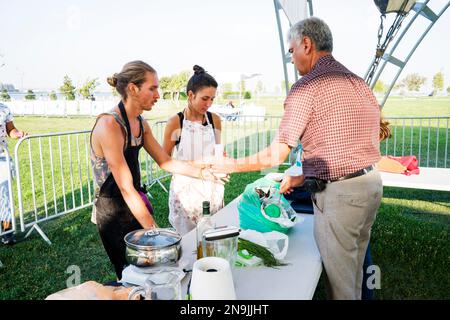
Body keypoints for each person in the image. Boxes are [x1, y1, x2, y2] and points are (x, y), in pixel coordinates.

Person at [209, 17, 382, 300]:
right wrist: (305, 173)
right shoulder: (358, 82)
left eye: (292, 51)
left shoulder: (307, 86)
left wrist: (231, 164)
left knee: (341, 287)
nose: (291, 59)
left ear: (307, 44)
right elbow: (350, 143)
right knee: (356, 271)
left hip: (341, 196)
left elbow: (277, 153)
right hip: (371, 184)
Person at [90, 61, 227, 280]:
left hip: (136, 203)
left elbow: (166, 161)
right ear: (133, 89)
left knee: (154, 273)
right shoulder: (109, 125)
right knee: (130, 276)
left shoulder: (141, 124)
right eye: (152, 88)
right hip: (113, 210)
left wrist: (204, 173)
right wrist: (155, 232)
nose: (158, 95)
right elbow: (125, 188)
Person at [162, 65, 224, 236]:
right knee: (188, 242)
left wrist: (223, 165)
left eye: (212, 99)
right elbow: (164, 161)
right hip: (185, 192)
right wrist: (201, 164)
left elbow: (218, 153)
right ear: (190, 95)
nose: (209, 104)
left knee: (212, 236)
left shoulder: (215, 120)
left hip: (211, 188)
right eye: (205, 98)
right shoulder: (176, 122)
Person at [0, 102, 27, 245]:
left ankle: (7, 232)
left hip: (2, 156)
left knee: (5, 194)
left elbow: (10, 130)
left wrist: (18, 134)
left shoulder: (3, 108)